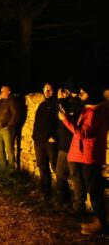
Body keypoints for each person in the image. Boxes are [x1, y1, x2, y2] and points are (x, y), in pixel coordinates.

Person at [59, 85, 109, 235]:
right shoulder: (89, 110)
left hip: (89, 157)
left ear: (91, 95)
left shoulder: (94, 113)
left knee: (94, 191)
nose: (80, 93)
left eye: (83, 91)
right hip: (86, 155)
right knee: (95, 188)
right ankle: (100, 221)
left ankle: (102, 226)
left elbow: (82, 133)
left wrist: (65, 120)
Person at [55, 82, 84, 212]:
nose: (65, 93)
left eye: (66, 90)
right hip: (63, 147)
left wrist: (62, 102)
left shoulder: (78, 105)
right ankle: (64, 199)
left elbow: (72, 122)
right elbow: (59, 111)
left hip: (73, 146)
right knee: (60, 173)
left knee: (75, 175)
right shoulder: (66, 102)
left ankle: (79, 205)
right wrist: (61, 99)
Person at [32, 83, 58, 200]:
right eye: (45, 89)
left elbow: (60, 123)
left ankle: (63, 196)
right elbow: (37, 122)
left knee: (56, 168)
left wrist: (55, 137)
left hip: (50, 142)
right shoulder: (42, 105)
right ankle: (45, 192)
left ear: (54, 91)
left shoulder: (57, 104)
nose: (47, 92)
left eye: (50, 89)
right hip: (39, 141)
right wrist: (34, 136)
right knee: (42, 167)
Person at [0, 85, 19, 168]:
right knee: (0, 149)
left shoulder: (12, 102)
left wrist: (9, 126)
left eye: (2, 91)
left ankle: (11, 168)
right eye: (0, 91)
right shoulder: (0, 102)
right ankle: (3, 167)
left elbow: (15, 115)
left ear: (8, 92)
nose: (0, 93)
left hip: (6, 129)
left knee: (9, 150)